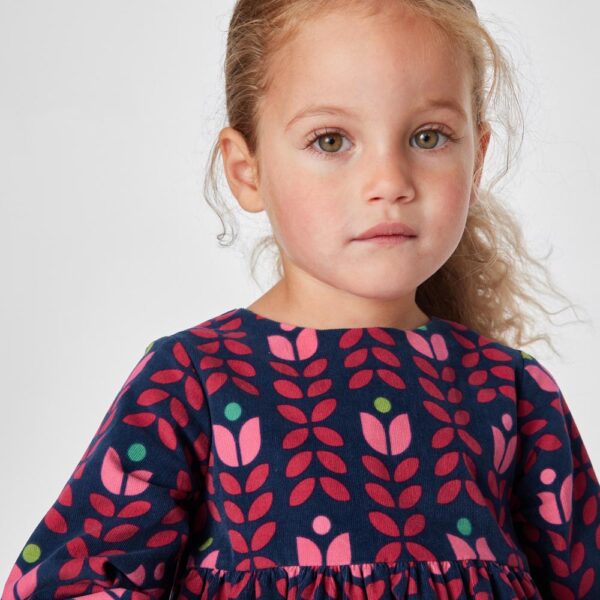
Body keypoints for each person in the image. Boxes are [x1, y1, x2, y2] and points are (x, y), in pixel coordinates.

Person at [3, 0, 600, 598]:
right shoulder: (192, 381)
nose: (390, 182)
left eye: (428, 136)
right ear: (248, 171)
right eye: (331, 140)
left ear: (477, 163)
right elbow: (69, 582)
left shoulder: (514, 392)